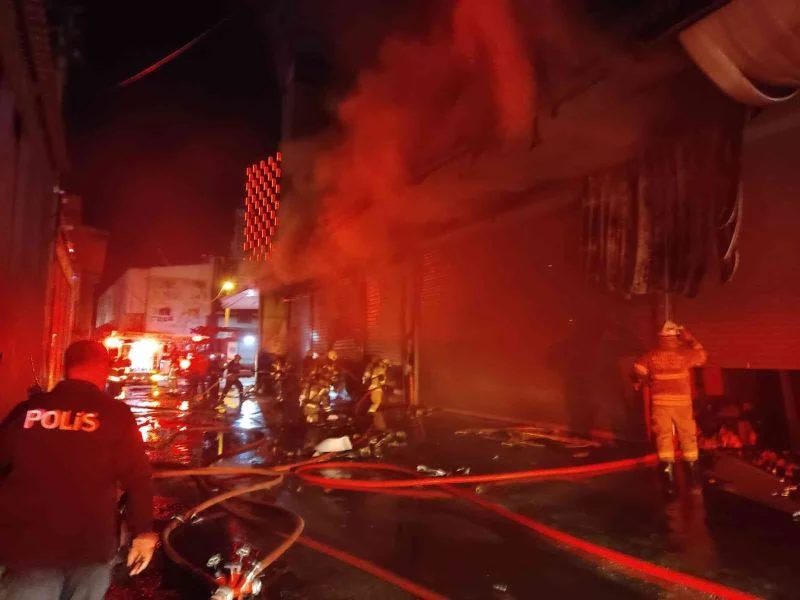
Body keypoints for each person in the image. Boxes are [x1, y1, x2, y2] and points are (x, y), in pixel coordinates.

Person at [0, 340, 156, 599]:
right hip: (90, 546)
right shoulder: (116, 415)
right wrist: (143, 532)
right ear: (104, 370)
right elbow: (138, 479)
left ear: (65, 368)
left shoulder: (27, 412)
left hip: (30, 546)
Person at [633, 321, 708, 496]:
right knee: (688, 439)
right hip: (682, 404)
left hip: (660, 403)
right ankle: (694, 484)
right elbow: (702, 355)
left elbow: (638, 369)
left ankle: (669, 485)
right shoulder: (685, 354)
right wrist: (690, 338)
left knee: (664, 439)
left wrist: (646, 382)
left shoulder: (652, 355)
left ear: (661, 337)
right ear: (676, 337)